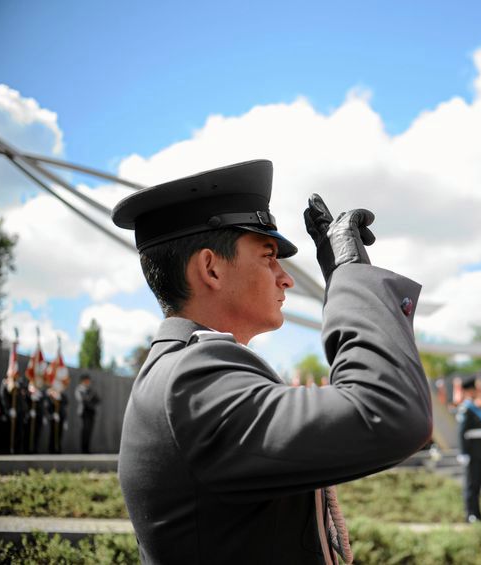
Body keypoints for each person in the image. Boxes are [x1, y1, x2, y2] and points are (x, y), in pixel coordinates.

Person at [112, 159, 432, 564]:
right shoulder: (191, 380)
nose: (286, 278)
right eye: (268, 257)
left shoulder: (190, 372)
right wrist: (351, 279)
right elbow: (388, 409)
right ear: (210, 268)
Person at [456, 375, 481, 523]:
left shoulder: (477, 408)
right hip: (471, 451)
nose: (475, 392)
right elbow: (462, 432)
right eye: (473, 390)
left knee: (478, 483)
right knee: (471, 484)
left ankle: (477, 513)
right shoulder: (466, 409)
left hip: (480, 451)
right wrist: (463, 452)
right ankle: (470, 513)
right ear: (467, 391)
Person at [75, 374, 101, 454]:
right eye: (87, 380)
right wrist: (90, 397)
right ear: (83, 381)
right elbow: (82, 400)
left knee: (89, 431)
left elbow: (98, 400)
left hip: (91, 412)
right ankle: (83, 449)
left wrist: (91, 398)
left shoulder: (91, 390)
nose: (88, 382)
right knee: (85, 431)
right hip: (84, 412)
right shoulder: (79, 389)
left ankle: (87, 449)